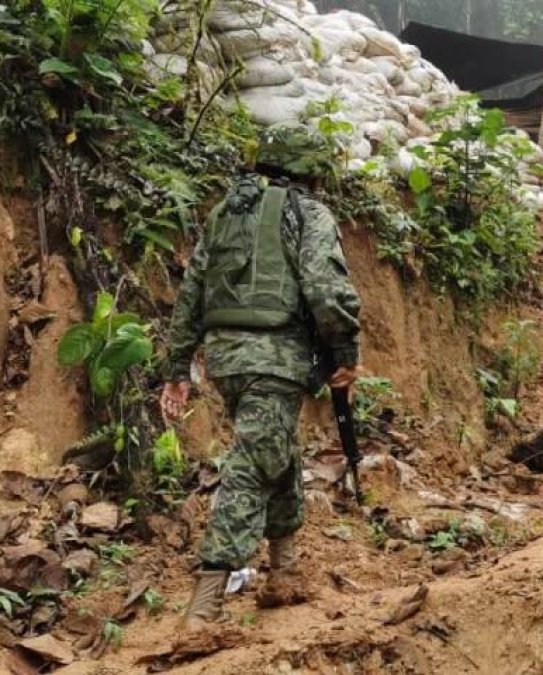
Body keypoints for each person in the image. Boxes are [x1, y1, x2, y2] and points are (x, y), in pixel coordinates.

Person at [161, 124, 362, 629]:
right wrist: (344, 351)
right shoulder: (308, 213)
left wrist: (177, 366)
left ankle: (284, 571)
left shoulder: (226, 212)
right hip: (276, 358)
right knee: (252, 466)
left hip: (226, 360)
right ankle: (204, 606)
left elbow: (192, 292)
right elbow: (323, 285)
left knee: (276, 451)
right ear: (311, 173)